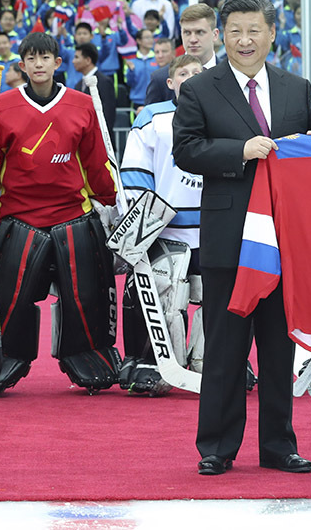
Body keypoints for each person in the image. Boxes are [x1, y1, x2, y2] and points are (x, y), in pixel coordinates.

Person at [172, 0, 311, 476]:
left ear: (272, 33)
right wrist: (240, 150)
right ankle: (216, 447)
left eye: (254, 29)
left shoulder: (295, 88)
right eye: (234, 30)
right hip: (229, 238)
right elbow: (187, 150)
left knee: (280, 350)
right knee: (225, 348)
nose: (244, 39)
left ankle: (279, 446)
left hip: (286, 242)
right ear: (221, 35)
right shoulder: (200, 88)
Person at [0, 32, 119, 394]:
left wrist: (108, 199)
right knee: (7, 299)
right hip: (18, 215)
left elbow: (95, 161)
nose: (38, 64)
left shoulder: (81, 104)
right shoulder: (0, 106)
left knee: (86, 297)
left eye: (45, 58)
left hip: (72, 213)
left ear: (57, 63)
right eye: (31, 58)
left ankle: (90, 354)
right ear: (22, 64)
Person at [119, 54, 204, 394]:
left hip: (213, 227)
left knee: (217, 299)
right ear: (170, 83)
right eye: (184, 73)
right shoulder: (152, 117)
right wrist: (147, 223)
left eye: (198, 72)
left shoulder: (225, 113)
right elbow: (137, 173)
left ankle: (215, 361)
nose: (192, 76)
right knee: (157, 296)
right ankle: (147, 360)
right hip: (167, 229)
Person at [144, 3, 219, 106]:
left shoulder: (232, 75)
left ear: (215, 35)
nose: (193, 40)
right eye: (187, 33)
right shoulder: (160, 79)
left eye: (200, 32)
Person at [73, 41, 116, 135]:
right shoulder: (78, 85)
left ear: (88, 60)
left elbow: (108, 113)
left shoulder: (104, 81)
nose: (73, 61)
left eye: (76, 57)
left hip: (101, 138)